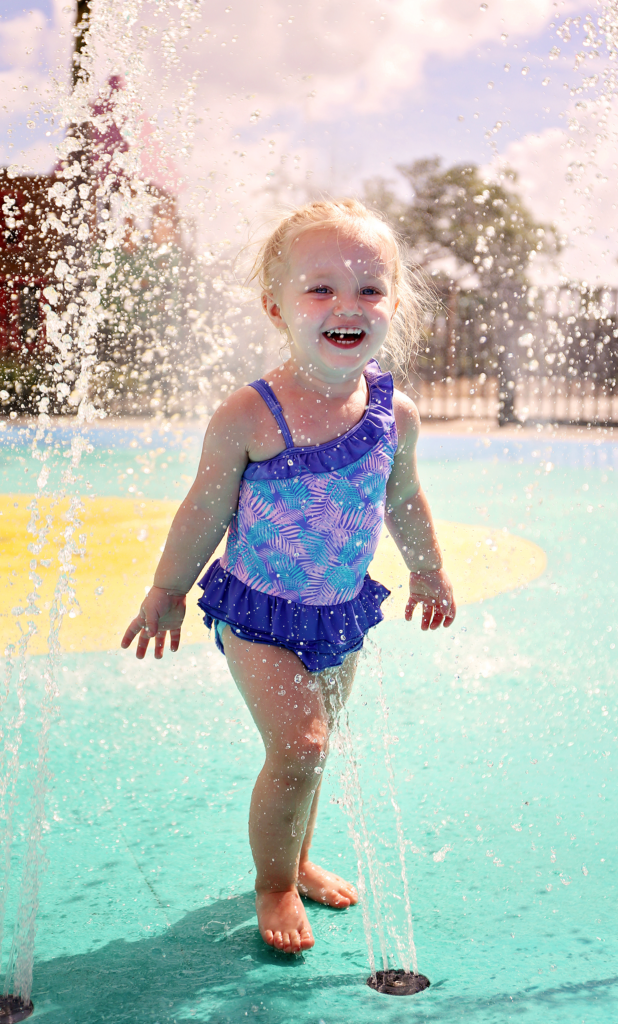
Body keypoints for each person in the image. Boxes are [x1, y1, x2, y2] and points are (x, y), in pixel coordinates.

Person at [121, 198, 455, 955]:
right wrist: (169, 589)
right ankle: (273, 882)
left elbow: (403, 497)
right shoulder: (252, 414)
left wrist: (429, 571)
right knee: (302, 747)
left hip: (340, 613)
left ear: (394, 303)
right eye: (321, 287)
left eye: (370, 288)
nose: (348, 304)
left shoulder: (392, 413)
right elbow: (202, 511)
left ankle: (298, 859)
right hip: (260, 613)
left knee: (315, 747)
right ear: (277, 306)